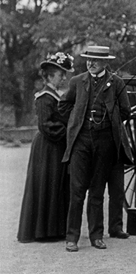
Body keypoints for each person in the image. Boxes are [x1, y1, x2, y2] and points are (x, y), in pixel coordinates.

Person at [59, 45, 132, 252]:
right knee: (77, 191)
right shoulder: (77, 82)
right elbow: (63, 106)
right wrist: (76, 122)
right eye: (88, 59)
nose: (90, 63)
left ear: (105, 62)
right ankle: (71, 237)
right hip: (81, 142)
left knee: (97, 191)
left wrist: (109, 124)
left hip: (105, 142)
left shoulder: (116, 83)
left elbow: (126, 111)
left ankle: (96, 236)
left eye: (95, 60)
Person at [17, 52, 74, 242]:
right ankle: (43, 231)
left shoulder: (55, 96)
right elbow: (45, 125)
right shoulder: (44, 97)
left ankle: (54, 229)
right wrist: (67, 133)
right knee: (46, 184)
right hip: (47, 147)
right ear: (50, 76)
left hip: (55, 147)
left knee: (55, 185)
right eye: (60, 75)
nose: (63, 78)